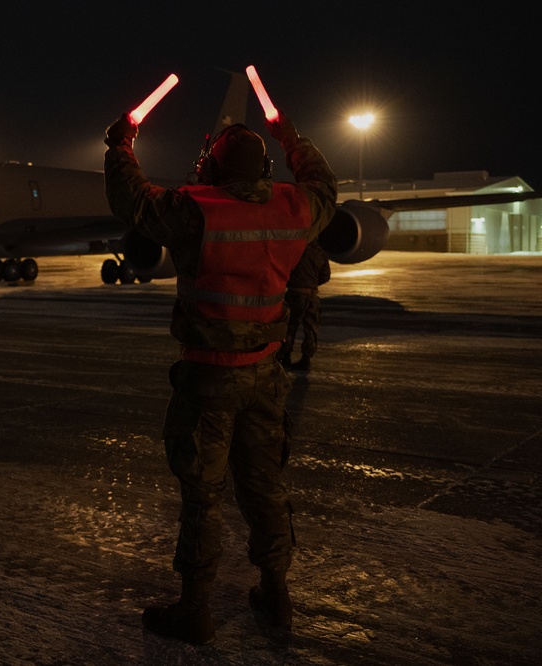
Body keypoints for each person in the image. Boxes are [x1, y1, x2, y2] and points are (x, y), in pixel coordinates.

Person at [104, 109, 337, 645]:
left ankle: (196, 609)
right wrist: (293, 139)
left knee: (202, 498)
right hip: (265, 375)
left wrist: (121, 146)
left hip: (208, 381)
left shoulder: (196, 210)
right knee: (265, 488)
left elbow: (133, 201)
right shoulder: (294, 206)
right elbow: (325, 183)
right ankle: (277, 595)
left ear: (213, 166)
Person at [279, 240, 331, 372]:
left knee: (290, 327)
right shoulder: (320, 252)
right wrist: (311, 283)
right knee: (311, 329)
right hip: (312, 295)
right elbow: (325, 276)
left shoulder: (296, 248)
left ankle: (285, 356)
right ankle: (306, 359)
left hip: (295, 294)